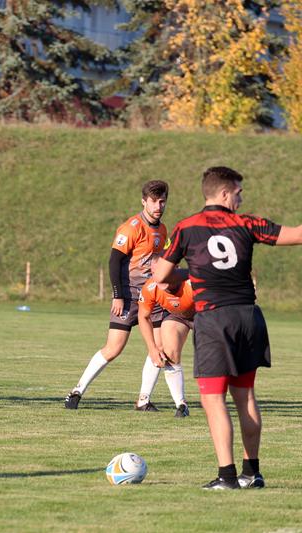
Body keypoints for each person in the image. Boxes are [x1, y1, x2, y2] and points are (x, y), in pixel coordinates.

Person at [155, 166, 302, 490]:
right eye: (238, 192)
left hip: (214, 319)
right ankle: (252, 473)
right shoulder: (247, 223)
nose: (241, 197)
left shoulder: (186, 227)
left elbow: (161, 276)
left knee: (213, 400)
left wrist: (190, 272)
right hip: (249, 317)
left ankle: (226, 476)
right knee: (245, 395)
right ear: (223, 194)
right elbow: (297, 234)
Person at [64, 180, 169, 410]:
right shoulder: (131, 227)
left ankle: (143, 400)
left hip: (153, 296)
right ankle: (76, 391)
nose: (158, 206)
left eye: (162, 201)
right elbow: (114, 261)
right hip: (129, 295)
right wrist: (117, 295)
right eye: (153, 201)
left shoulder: (162, 230)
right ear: (144, 201)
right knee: (113, 348)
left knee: (159, 347)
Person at [137, 270, 195, 417]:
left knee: (214, 357)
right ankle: (181, 405)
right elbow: (143, 317)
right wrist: (152, 348)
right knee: (169, 354)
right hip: (178, 317)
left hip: (205, 315)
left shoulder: (192, 283)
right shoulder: (151, 287)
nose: (159, 278)